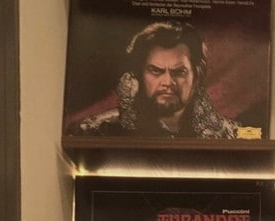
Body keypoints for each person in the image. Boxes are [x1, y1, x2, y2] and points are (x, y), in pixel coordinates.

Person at [70, 20, 238, 139]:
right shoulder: (98, 131)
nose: (167, 82)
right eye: (156, 71)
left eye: (179, 72)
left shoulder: (228, 135)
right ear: (139, 74)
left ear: (196, 76)